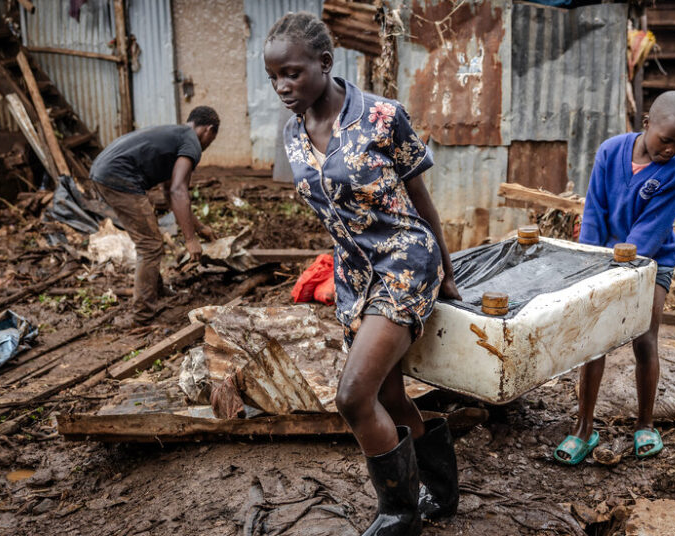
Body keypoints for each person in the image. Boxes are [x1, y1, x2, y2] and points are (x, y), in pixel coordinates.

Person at [264, 12, 460, 536]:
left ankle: (399, 514)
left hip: (405, 260)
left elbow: (423, 202)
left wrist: (445, 272)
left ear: (325, 64)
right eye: (274, 77)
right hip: (355, 276)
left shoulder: (381, 116)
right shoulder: (292, 132)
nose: (283, 87)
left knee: (353, 396)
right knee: (389, 398)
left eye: (292, 73)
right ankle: (438, 489)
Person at [554, 91, 675, 465]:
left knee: (645, 338)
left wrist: (623, 267)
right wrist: (590, 261)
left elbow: (652, 230)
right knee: (595, 342)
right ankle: (584, 428)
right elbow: (595, 209)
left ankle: (645, 424)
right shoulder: (610, 151)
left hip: (652, 261)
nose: (671, 149)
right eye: (666, 139)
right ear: (647, 122)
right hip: (602, 258)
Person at [91, 107, 219, 326]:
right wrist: (190, 239)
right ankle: (142, 315)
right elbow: (179, 191)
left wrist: (198, 227)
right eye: (212, 139)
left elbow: (170, 191)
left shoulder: (177, 135)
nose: (208, 144)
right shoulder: (192, 143)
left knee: (150, 240)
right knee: (149, 245)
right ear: (209, 130)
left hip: (104, 171)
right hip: (119, 176)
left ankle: (155, 292)